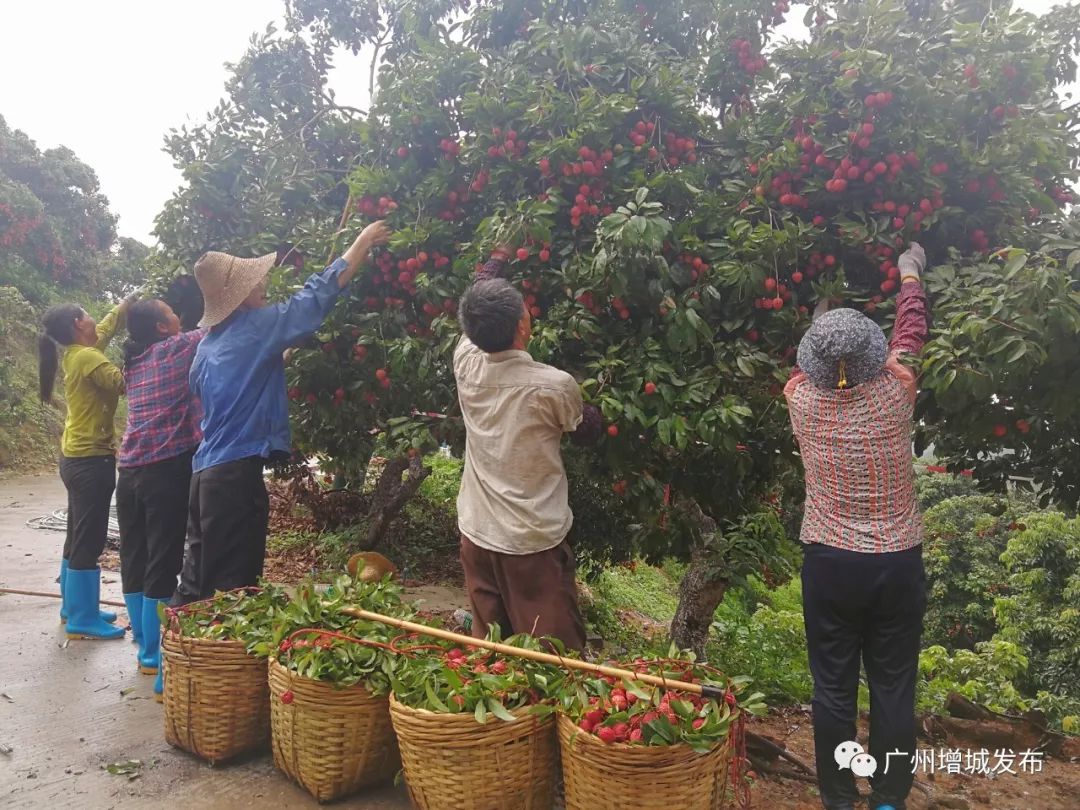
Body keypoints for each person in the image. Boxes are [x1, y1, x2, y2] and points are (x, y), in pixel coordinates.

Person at [172, 220, 392, 606]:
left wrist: (272, 357)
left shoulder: (208, 347)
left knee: (196, 584)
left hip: (204, 475)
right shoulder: (255, 327)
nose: (262, 286)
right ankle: (225, 664)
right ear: (239, 298)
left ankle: (176, 661)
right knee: (235, 590)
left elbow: (219, 385)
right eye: (254, 283)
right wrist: (361, 243)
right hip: (235, 478)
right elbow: (315, 297)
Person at [784, 244, 930, 810]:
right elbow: (911, 333)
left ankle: (839, 799)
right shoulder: (897, 390)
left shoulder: (799, 399)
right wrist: (910, 274)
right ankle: (890, 797)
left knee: (833, 688)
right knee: (894, 687)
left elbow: (811, 367)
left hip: (830, 562)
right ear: (877, 356)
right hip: (896, 561)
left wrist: (824, 315)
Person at [453, 246, 601, 653]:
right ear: (522, 323)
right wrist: (599, 414)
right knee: (555, 658)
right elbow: (584, 427)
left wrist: (495, 261)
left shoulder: (465, 361)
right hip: (530, 544)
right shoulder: (552, 385)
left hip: (476, 532)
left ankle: (505, 717)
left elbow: (474, 308)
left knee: (494, 652)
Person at [115, 298, 205, 699]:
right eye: (173, 313)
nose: (180, 317)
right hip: (162, 471)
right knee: (163, 560)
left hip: (129, 471)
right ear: (163, 328)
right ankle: (157, 654)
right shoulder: (175, 349)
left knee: (133, 556)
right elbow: (215, 326)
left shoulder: (132, 361)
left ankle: (145, 651)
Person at [39, 297, 135, 640]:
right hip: (92, 460)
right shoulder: (90, 358)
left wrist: (123, 308)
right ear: (79, 324)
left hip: (74, 457)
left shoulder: (78, 352)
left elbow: (104, 330)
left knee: (77, 532)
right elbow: (124, 382)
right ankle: (82, 618)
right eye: (87, 315)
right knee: (90, 538)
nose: (95, 319)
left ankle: (74, 606)